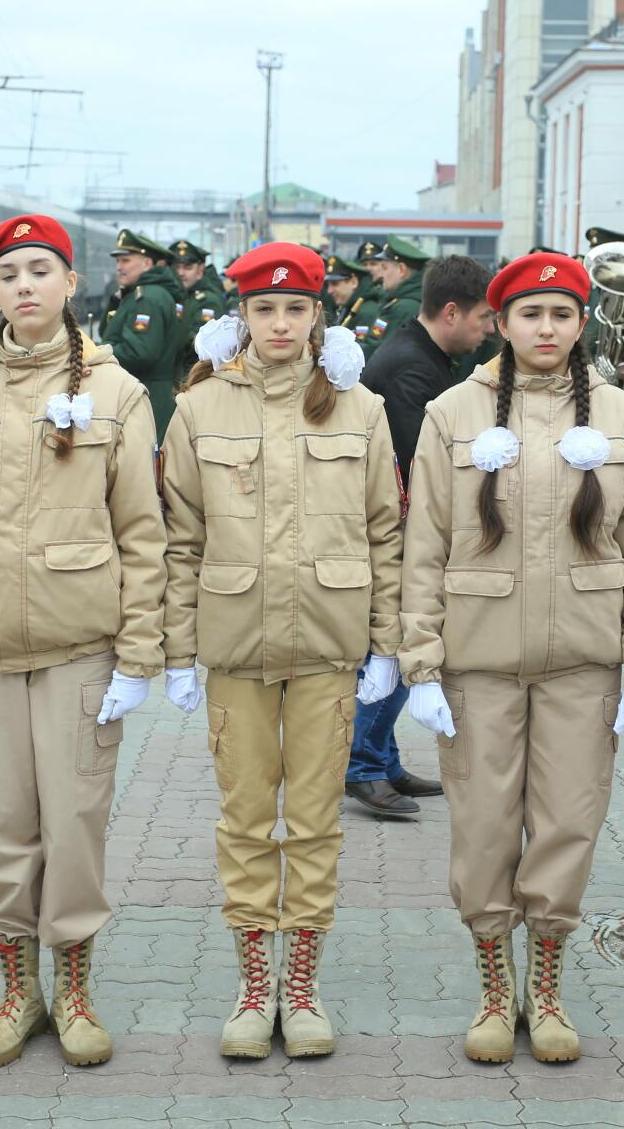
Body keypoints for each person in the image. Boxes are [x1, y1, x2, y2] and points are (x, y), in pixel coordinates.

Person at [399, 252, 624, 1065]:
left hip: (584, 662)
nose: (546, 328)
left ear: (582, 322)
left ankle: (545, 988)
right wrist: (420, 661)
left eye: (561, 314)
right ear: (503, 322)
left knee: (567, 825)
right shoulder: (453, 412)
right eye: (530, 314)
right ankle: (496, 989)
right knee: (484, 827)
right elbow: (424, 545)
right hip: (477, 661)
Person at [0, 214, 171, 1069]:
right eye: (9, 274)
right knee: (2, 825)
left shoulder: (116, 391)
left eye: (41, 269)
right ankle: (17, 993)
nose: (25, 285)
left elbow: (142, 530)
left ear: (72, 283)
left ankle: (73, 989)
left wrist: (139, 654)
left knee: (72, 823)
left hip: (79, 648)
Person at [161, 243, 402, 1061]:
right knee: (243, 820)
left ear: (316, 315)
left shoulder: (360, 407)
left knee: (315, 822)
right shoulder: (199, 407)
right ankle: (252, 984)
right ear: (242, 316)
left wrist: (388, 646)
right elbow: (180, 539)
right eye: (264, 309)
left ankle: (301, 988)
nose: (280, 324)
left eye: (295, 309)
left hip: (330, 646)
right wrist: (176, 650)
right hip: (237, 647)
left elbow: (386, 533)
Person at [345, 255, 493, 819]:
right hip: (398, 528)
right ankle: (362, 765)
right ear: (451, 312)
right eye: (483, 318)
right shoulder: (413, 367)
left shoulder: (422, 353)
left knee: (398, 644)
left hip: (397, 523)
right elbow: (421, 463)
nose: (487, 331)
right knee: (401, 644)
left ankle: (382, 760)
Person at [101, 229, 181, 437]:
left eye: (126, 260)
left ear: (147, 263)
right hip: (147, 393)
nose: (119, 267)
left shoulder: (147, 298)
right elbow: (109, 331)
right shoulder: (139, 294)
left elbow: (140, 352)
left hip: (149, 396)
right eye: (118, 261)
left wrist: (99, 353)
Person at [361, 236, 430, 356]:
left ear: (402, 270)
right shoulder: (402, 302)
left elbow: (377, 351)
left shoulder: (401, 309)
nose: (381, 274)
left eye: (385, 268)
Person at [170, 238, 227, 379]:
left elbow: (200, 343)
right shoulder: (180, 296)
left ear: (200, 271)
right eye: (177, 267)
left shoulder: (207, 301)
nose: (181, 273)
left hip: (192, 376)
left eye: (187, 267)